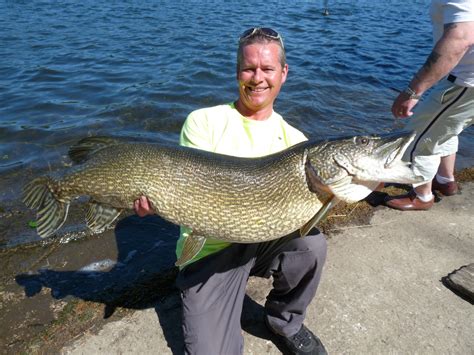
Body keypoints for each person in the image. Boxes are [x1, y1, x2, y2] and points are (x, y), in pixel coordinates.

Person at [134, 28, 328, 355]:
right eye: (249, 69)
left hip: (262, 240)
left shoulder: (297, 142)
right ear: (237, 72)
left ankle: (285, 321)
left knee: (311, 245)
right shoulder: (203, 122)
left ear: (284, 73)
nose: (258, 78)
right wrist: (158, 199)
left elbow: (309, 211)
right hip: (211, 251)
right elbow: (187, 193)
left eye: (267, 69)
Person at [385, 0, 474, 211]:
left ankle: (422, 195)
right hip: (462, 78)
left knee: (417, 135)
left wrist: (412, 91)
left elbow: (460, 38)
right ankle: (445, 180)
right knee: (443, 127)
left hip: (466, 83)